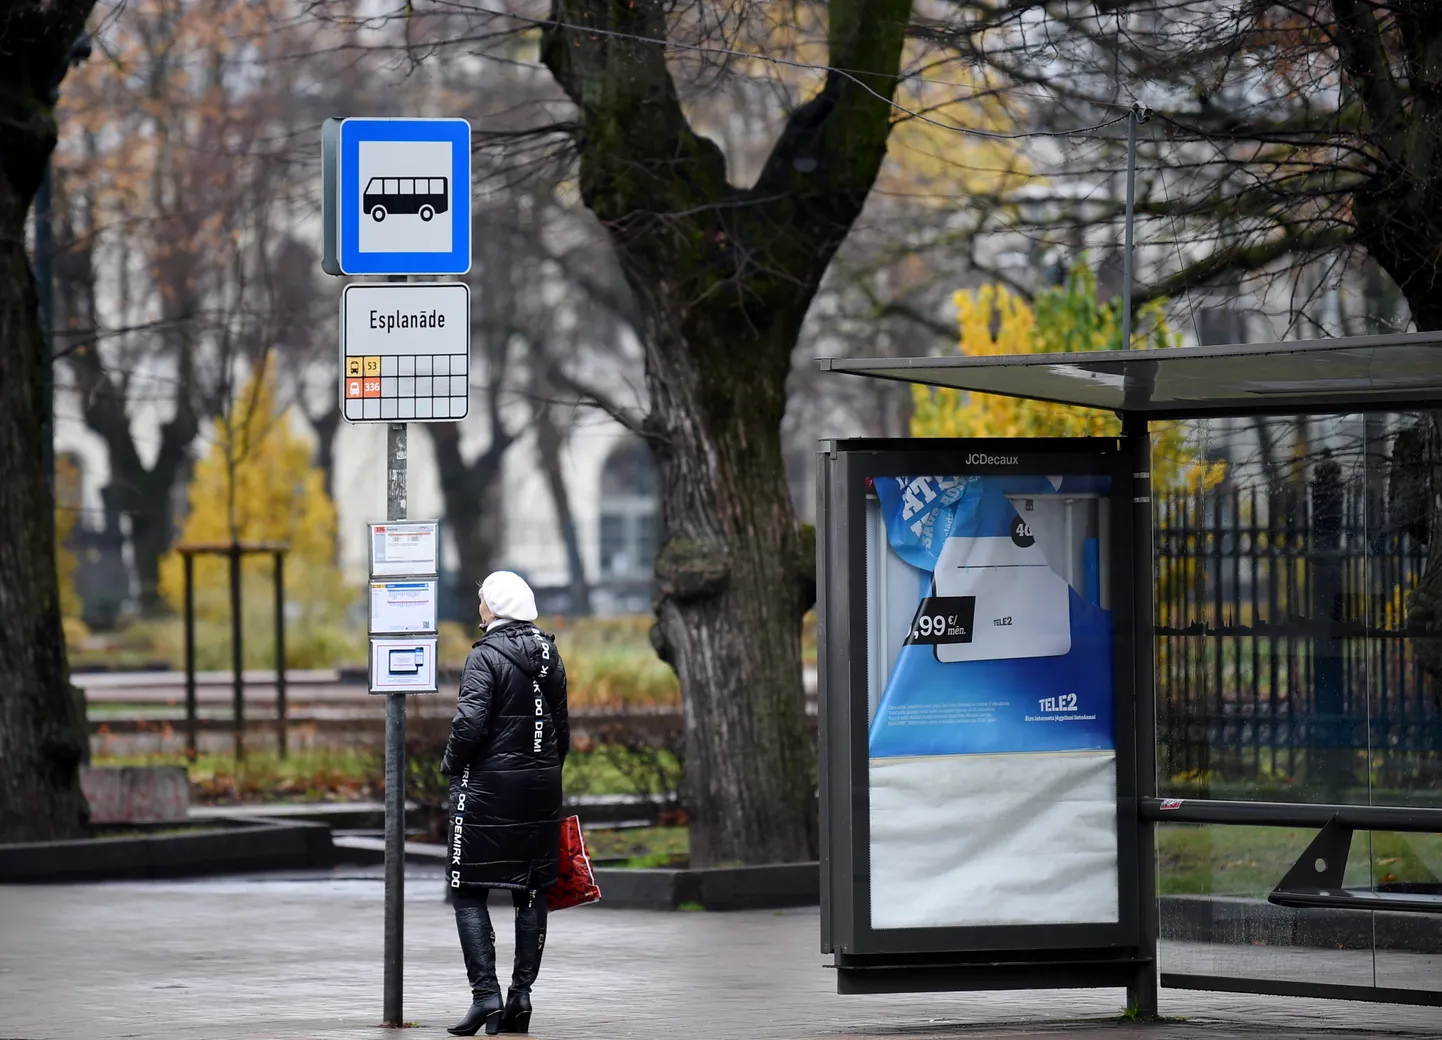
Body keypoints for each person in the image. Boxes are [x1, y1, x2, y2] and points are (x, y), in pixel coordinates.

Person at [441, 571, 569, 1036]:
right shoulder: (550, 654)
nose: (479, 608)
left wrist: (451, 766)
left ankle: (485, 997)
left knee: (468, 887)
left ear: (493, 608)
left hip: (490, 790)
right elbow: (561, 730)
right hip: (541, 787)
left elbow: (469, 726)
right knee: (531, 888)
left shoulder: (485, 656)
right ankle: (521, 998)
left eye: (482, 601)